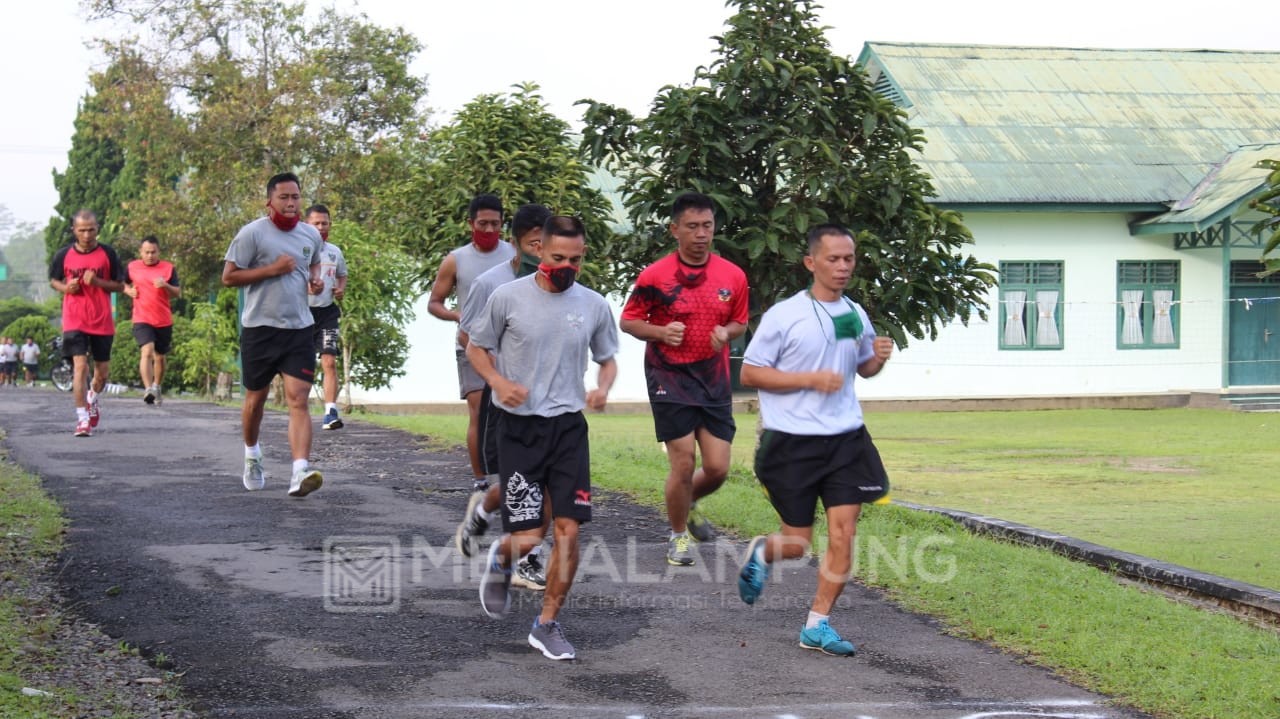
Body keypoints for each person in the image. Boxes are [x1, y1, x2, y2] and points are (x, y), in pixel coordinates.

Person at [736, 223, 894, 657]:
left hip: (846, 439)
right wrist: (808, 379)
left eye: (849, 259)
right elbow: (749, 373)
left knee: (844, 532)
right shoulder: (785, 316)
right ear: (811, 262)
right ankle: (765, 553)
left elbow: (861, 368)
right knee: (798, 542)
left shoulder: (851, 314)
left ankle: (817, 624)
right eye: (834, 259)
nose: (843, 267)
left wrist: (876, 360)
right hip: (792, 443)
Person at [467, 215, 618, 661]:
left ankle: (547, 624)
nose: (565, 266)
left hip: (568, 428)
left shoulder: (593, 305)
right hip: (518, 428)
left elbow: (607, 358)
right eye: (557, 258)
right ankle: (501, 556)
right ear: (538, 251)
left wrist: (603, 387)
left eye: (574, 259)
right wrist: (496, 381)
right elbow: (477, 346)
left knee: (569, 532)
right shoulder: (507, 297)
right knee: (530, 537)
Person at [620, 192, 749, 566]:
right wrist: (660, 333)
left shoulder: (732, 275)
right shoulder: (655, 276)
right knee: (683, 462)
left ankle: (687, 500)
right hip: (668, 376)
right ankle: (678, 539)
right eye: (692, 227)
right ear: (674, 230)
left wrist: (727, 333)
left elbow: (740, 320)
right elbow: (628, 320)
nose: (701, 234)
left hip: (714, 379)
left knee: (719, 467)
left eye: (707, 226)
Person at [455, 202, 552, 591]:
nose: (542, 251)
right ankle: (497, 525)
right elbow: (468, 336)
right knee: (522, 485)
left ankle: (519, 547)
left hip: (549, 402)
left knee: (542, 484)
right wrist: (497, 376)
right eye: (534, 243)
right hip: (506, 402)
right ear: (515, 243)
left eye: (547, 243)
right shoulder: (490, 284)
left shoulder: (558, 281)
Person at [222, 172, 325, 498]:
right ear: (270, 201)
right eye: (284, 197)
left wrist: (315, 280)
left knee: (299, 399)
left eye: (296, 197)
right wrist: (271, 270)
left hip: (298, 328)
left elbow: (314, 264)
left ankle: (300, 471)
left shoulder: (311, 235)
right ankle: (252, 453)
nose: (292, 203)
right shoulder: (252, 234)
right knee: (256, 400)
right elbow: (229, 276)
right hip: (260, 329)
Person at [427, 194, 516, 493]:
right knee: (481, 411)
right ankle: (482, 479)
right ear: (470, 224)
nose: (489, 230)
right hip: (470, 345)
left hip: (510, 346)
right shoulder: (456, 259)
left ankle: (507, 473)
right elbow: (434, 303)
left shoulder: (514, 254)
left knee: (509, 411)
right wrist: (455, 315)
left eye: (495, 224)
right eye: (483, 224)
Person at [48, 209, 125, 436]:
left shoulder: (108, 253)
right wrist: (65, 287)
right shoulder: (63, 255)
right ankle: (82, 419)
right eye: (82, 230)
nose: (87, 234)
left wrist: (99, 282)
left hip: (101, 319)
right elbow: (54, 280)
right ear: (74, 230)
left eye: (91, 229)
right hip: (74, 318)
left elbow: (120, 285)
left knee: (101, 373)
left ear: (97, 228)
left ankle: (92, 397)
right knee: (80, 366)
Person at [303, 204, 348, 430]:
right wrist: (306, 289)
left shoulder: (334, 251)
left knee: (329, 360)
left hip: (327, 313)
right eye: (316, 223)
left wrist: (340, 290)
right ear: (306, 225)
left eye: (325, 223)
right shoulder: (298, 250)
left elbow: (342, 275)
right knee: (302, 364)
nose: (321, 228)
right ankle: (298, 410)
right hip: (301, 314)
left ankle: (331, 412)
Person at [124, 235, 181, 405]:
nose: (150, 256)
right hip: (142, 318)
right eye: (146, 252)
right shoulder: (132, 267)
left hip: (163, 320)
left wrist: (166, 285)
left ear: (159, 252)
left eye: (153, 252)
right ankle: (148, 389)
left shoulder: (168, 268)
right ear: (140, 252)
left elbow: (177, 293)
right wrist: (128, 291)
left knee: (160, 357)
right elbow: (121, 283)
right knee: (147, 351)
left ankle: (157, 386)